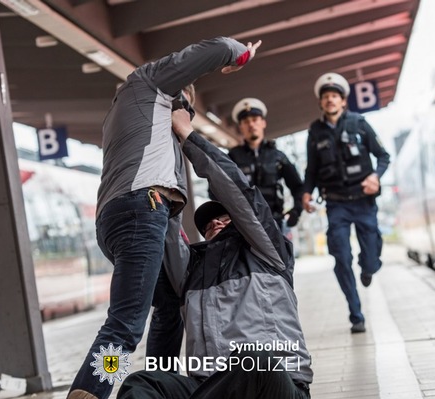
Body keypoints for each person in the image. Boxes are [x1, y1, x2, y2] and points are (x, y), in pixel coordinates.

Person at [68, 37, 262, 399]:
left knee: (168, 304)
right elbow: (214, 48)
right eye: (183, 99)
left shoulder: (127, 116)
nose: (184, 110)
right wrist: (241, 54)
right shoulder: (149, 82)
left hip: (126, 217)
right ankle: (92, 389)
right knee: (126, 324)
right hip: (143, 210)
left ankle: (159, 386)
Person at [115, 107, 313, 399]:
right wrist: (156, 137)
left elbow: (239, 193)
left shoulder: (269, 253)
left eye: (224, 217)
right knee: (143, 383)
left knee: (256, 360)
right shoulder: (190, 269)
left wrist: (188, 136)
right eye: (207, 223)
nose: (215, 222)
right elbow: (167, 220)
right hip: (210, 388)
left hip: (273, 385)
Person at [301, 72, 390, 334]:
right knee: (341, 256)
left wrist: (376, 176)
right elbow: (312, 171)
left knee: (371, 258)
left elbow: (383, 156)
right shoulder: (315, 133)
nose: (330, 100)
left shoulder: (360, 124)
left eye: (335, 96)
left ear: (343, 101)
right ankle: (356, 314)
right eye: (326, 97)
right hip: (337, 204)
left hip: (363, 201)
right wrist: (306, 193)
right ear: (321, 103)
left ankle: (369, 266)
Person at [223, 98, 303, 231]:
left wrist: (297, 210)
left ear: (263, 123)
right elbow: (218, 189)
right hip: (243, 225)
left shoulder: (278, 157)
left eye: (255, 120)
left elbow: (297, 186)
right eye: (246, 121)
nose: (251, 125)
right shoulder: (232, 158)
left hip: (274, 222)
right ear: (241, 127)